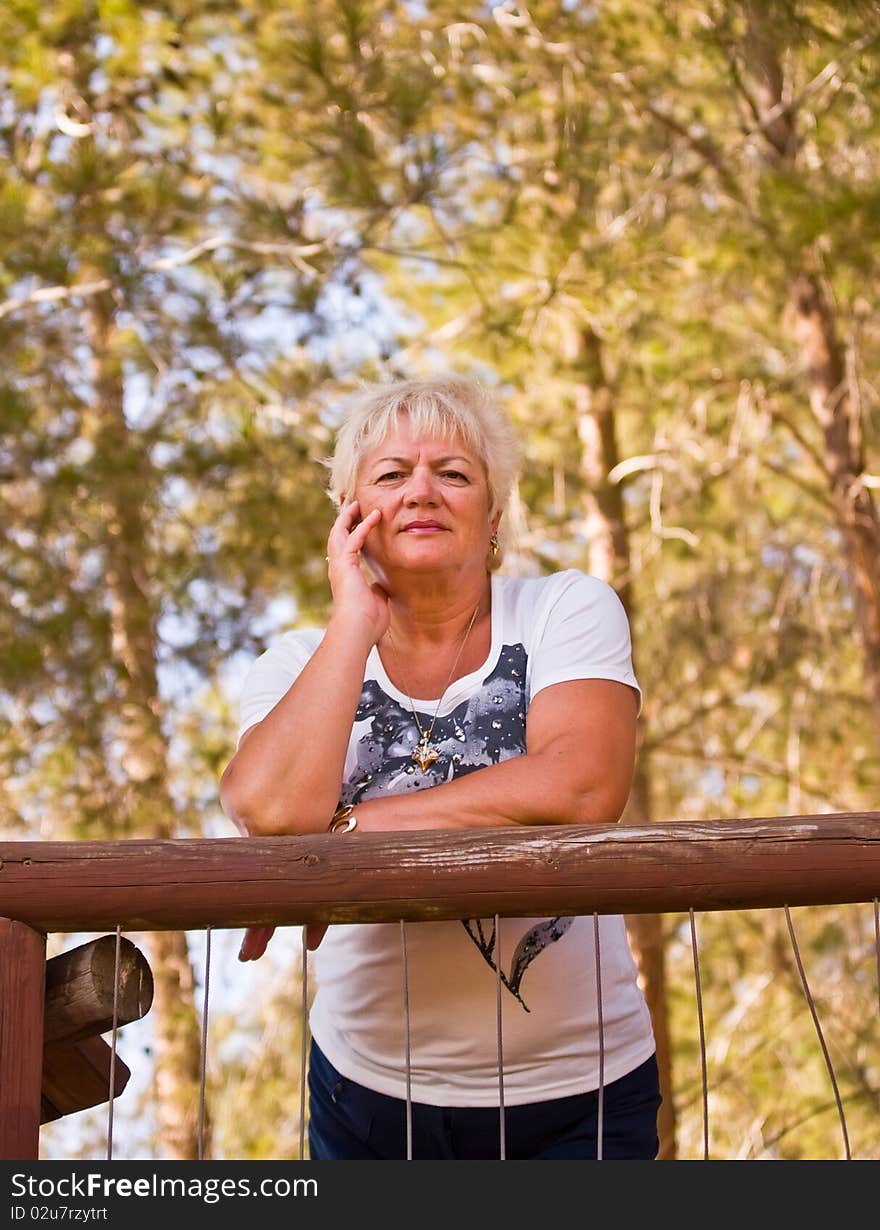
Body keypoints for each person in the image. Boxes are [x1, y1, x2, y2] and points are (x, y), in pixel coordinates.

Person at [219, 374, 660, 1160]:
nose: (422, 490)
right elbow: (267, 814)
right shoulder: (297, 664)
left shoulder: (564, 609)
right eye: (391, 475)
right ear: (349, 519)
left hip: (582, 1096)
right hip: (368, 1100)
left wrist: (352, 830)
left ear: (493, 516)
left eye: (453, 473)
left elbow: (584, 785)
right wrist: (354, 621)